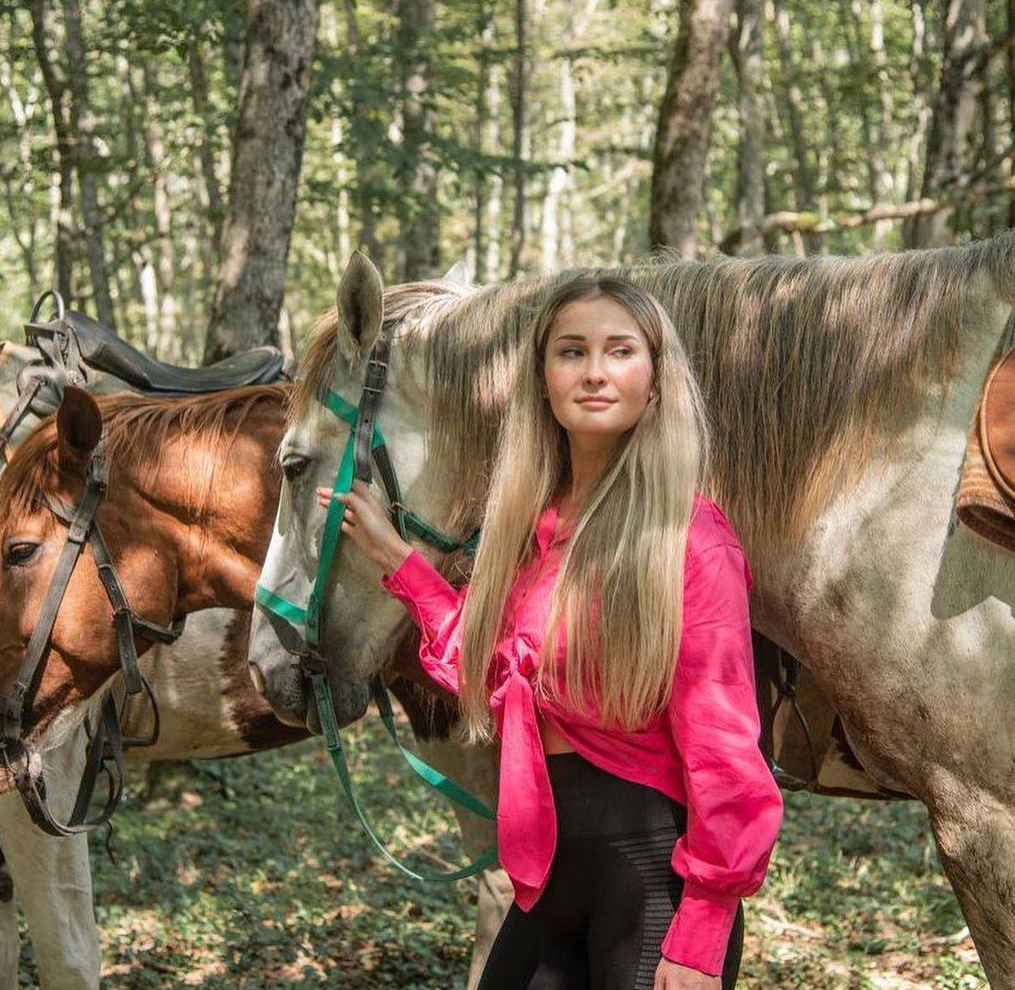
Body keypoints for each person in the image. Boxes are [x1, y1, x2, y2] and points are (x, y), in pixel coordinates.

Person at [317, 274, 783, 990]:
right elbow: (490, 668)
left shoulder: (688, 542)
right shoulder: (533, 537)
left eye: (619, 351)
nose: (594, 371)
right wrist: (397, 558)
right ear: (543, 382)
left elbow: (725, 751)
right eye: (572, 351)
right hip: (545, 878)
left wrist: (703, 927)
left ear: (655, 384)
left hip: (649, 878)